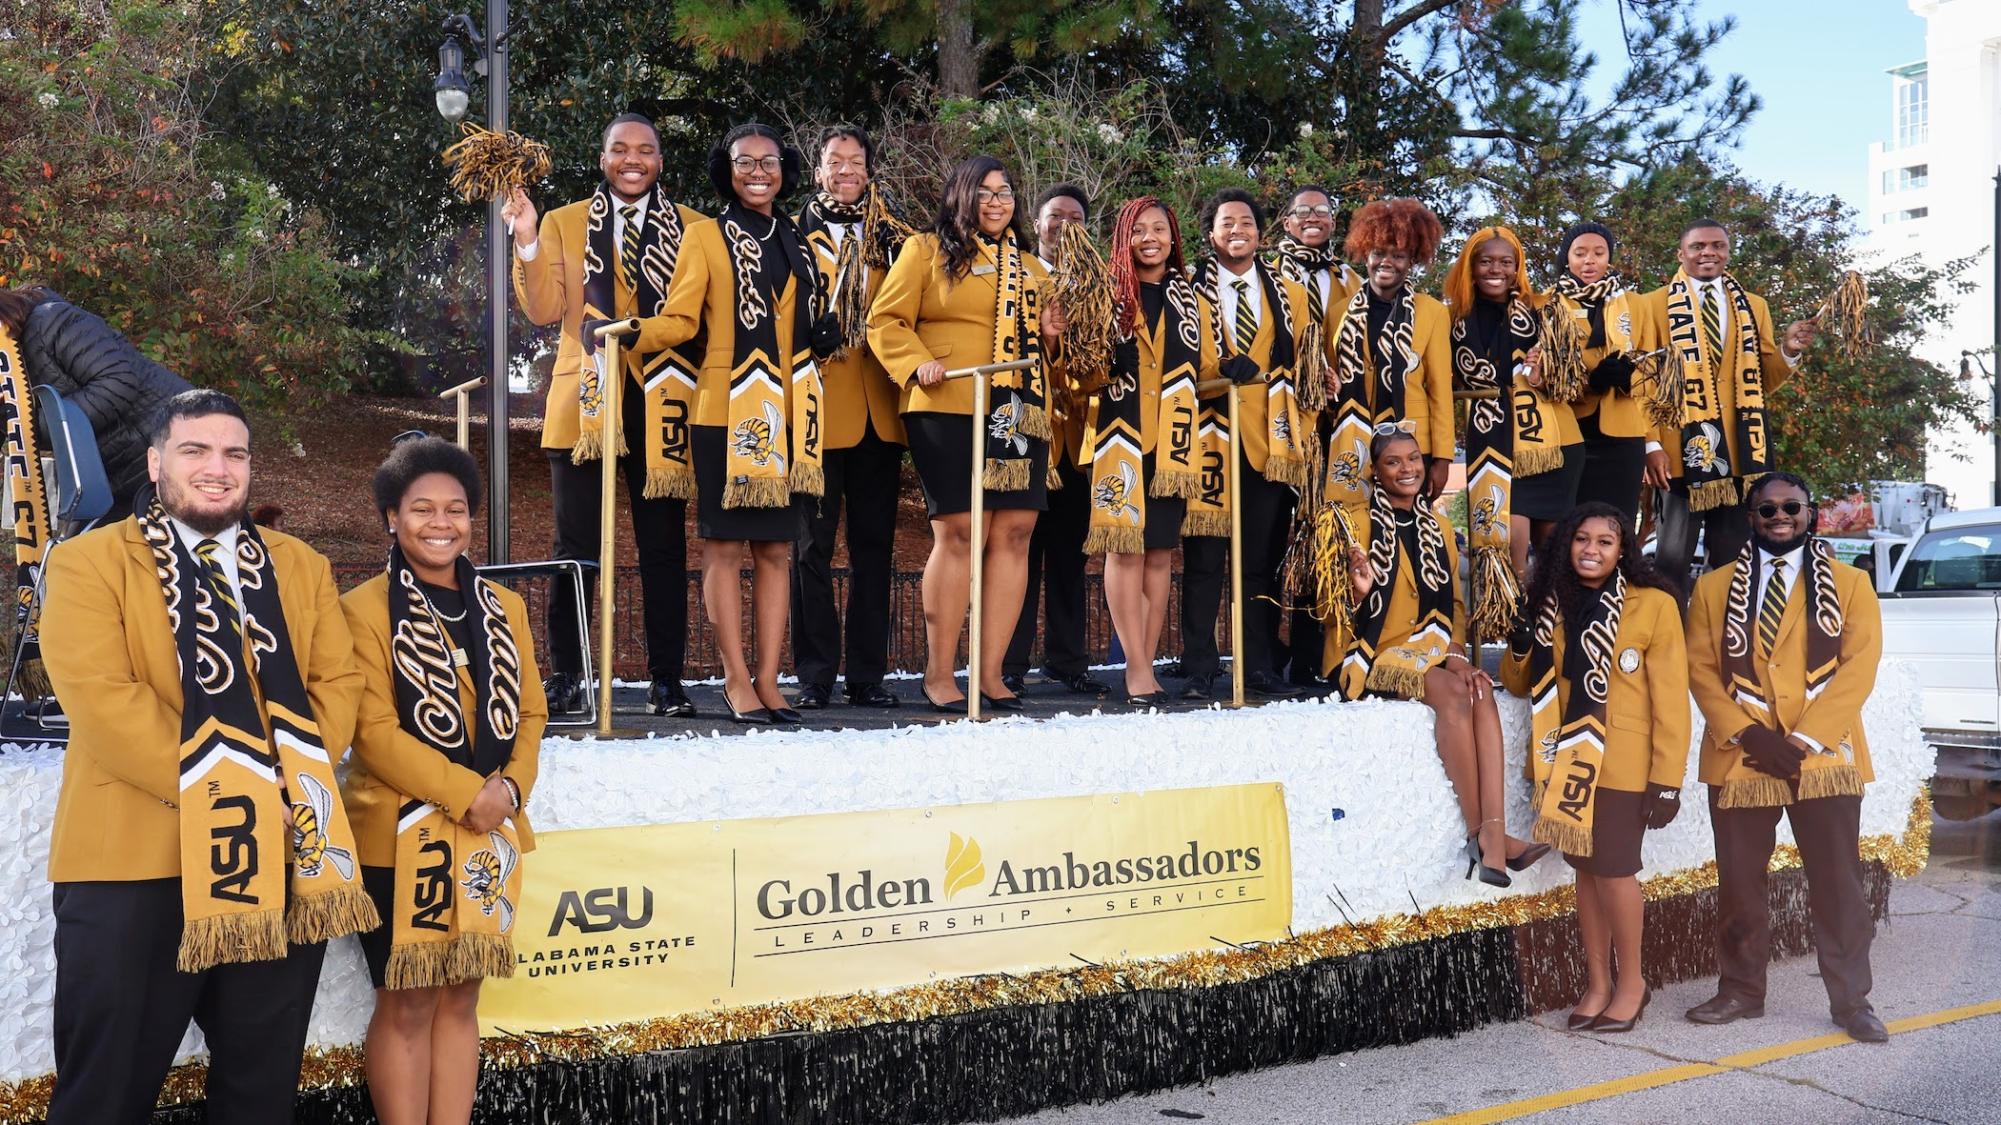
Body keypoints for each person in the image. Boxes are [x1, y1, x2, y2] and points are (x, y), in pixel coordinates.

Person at [38, 389, 371, 1123]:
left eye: (234, 453)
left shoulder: (301, 565)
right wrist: (247, 792)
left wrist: (294, 780)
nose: (217, 468)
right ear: (157, 462)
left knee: (259, 1093)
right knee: (104, 1095)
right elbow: (104, 701)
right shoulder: (89, 562)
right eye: (195, 450)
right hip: (135, 865)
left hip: (281, 859)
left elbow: (338, 680)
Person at [341, 436, 547, 1125]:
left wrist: (510, 790)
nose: (440, 522)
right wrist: (469, 793)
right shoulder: (362, 608)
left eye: (455, 509)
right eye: (420, 508)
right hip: (397, 837)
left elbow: (530, 711)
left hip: (489, 830)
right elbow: (371, 730)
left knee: (463, 996)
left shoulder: (504, 607)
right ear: (389, 518)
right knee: (409, 999)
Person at [637, 123, 840, 724]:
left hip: (789, 415)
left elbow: (803, 318)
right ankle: (734, 678)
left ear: (786, 170)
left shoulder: (800, 241)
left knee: (777, 549)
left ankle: (771, 679)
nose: (759, 171)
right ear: (726, 170)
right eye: (745, 161)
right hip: (726, 408)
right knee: (725, 547)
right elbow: (678, 320)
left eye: (770, 161)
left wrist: (824, 331)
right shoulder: (703, 238)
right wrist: (627, 334)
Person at [506, 112, 702, 718]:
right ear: (603, 158)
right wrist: (529, 239)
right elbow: (543, 311)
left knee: (664, 547)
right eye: (620, 149)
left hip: (662, 395)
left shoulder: (696, 228)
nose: (633, 159)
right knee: (576, 544)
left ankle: (667, 680)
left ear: (661, 162)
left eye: (645, 150)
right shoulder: (563, 223)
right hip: (584, 396)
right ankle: (568, 674)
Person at [1684, 472, 1887, 1043]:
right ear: (1751, 518)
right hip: (1741, 757)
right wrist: (1749, 735)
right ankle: (1741, 992)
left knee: (1838, 883)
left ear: (1810, 513)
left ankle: (1852, 1002)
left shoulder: (1849, 584)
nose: (1780, 515)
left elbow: (1858, 667)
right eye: (1767, 508)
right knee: (1740, 883)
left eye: (1791, 506)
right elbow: (1700, 670)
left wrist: (1802, 739)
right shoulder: (1712, 587)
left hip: (1821, 756)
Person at [869, 154, 1063, 713]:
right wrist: (915, 362)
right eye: (985, 192)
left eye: (1005, 192)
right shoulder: (925, 251)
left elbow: (1056, 355)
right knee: (960, 532)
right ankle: (937, 672)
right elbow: (885, 321)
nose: (998, 202)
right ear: (962, 196)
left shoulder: (1034, 269)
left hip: (1019, 409)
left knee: (1015, 533)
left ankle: (992, 671)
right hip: (948, 399)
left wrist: (1052, 336)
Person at [1326, 425, 1546, 884]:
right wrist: (1360, 592)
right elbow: (1329, 611)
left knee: (1479, 689)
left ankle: (1496, 836)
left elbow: (1456, 606)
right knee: (1451, 694)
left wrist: (1457, 652)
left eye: (1413, 459)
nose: (1406, 469)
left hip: (1432, 646)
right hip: (1373, 649)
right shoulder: (1356, 523)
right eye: (1393, 462)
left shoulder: (1440, 525)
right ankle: (1482, 834)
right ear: (1376, 471)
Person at [1503, 502, 1689, 1033]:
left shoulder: (1652, 605)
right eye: (1581, 539)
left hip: (1625, 763)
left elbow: (1671, 698)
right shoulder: (1550, 603)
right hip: (1566, 761)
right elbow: (1521, 684)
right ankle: (1598, 983)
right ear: (1567, 545)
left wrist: (1668, 780)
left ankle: (1632, 983)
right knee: (1586, 874)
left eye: (1605, 541)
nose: (1591, 549)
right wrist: (1520, 641)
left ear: (1623, 550)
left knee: (1615, 871)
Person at [790, 125, 912, 710]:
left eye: (855, 161)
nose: (845, 169)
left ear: (869, 170)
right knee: (810, 547)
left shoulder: (898, 239)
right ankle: (814, 674)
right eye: (834, 161)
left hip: (880, 413)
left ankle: (867, 673)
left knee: (874, 548)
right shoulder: (791, 235)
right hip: (814, 409)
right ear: (818, 172)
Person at [1179, 188, 1313, 701]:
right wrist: (1216, 371)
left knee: (1261, 560)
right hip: (1208, 438)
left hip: (1269, 442)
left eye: (1247, 223)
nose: (1238, 230)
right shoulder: (1189, 290)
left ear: (1261, 233)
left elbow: (1304, 366)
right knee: (1205, 558)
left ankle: (1257, 664)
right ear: (1211, 234)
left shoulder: (1290, 294)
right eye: (1226, 222)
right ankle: (1199, 667)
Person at [1087, 197, 1218, 704]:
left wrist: (1230, 368)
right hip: (1119, 435)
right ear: (1124, 236)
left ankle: (1143, 664)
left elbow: (1205, 368)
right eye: (1139, 230)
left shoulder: (1192, 299)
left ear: (1173, 237)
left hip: (1173, 443)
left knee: (1160, 554)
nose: (1150, 238)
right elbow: (1077, 370)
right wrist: (1103, 359)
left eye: (1159, 229)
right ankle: (1137, 669)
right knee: (1125, 548)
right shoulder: (1104, 291)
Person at [1639, 219, 1816, 592]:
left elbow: (1762, 379)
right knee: (1671, 562)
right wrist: (1650, 444)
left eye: (1717, 246)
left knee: (1732, 565)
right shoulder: (1651, 306)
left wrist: (1788, 351)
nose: (1708, 253)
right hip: (1679, 454)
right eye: (1698, 246)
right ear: (1680, 253)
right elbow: (1643, 382)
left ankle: (1725, 645)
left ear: (1727, 251)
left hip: (1740, 454)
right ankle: (1669, 644)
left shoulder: (1754, 307)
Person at [1002, 183, 1112, 699]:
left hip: (1076, 439)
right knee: (1017, 552)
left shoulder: (1099, 283)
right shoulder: (1014, 272)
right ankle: (1008, 662)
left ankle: (1068, 661)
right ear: (1038, 221)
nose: (1063, 223)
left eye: (1075, 216)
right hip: (1026, 430)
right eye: (1054, 215)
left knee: (1070, 558)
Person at [1440, 226, 1565, 637]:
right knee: (1506, 541)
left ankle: (1551, 636)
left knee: (1552, 554)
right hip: (1488, 438)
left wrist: (1546, 371)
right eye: (1486, 261)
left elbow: (1568, 384)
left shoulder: (1541, 312)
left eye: (1506, 262)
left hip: (1541, 441)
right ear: (1470, 266)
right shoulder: (1451, 316)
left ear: (1518, 268)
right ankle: (1513, 630)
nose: (1496, 269)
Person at [1268, 186, 1359, 687]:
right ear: (1286, 221)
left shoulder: (1349, 278)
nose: (1312, 219)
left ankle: (1312, 653)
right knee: (1270, 540)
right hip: (1280, 421)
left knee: (1321, 535)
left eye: (1322, 212)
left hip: (1335, 425)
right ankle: (1263, 652)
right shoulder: (1266, 274)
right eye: (1302, 211)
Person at [0, 285, 193, 516]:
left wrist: (34, 429)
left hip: (171, 450)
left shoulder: (50, 321)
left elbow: (116, 383)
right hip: (111, 479)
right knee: (78, 551)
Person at [1324, 198, 1453, 508]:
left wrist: (1443, 459)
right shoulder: (1339, 312)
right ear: (1365, 253)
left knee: (1406, 532)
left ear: (1411, 261)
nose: (1387, 262)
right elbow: (1331, 378)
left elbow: (1439, 389)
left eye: (1398, 256)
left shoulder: (1432, 311)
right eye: (1378, 253)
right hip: (1352, 440)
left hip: (1411, 446)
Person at [1552, 223, 1650, 525]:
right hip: (1569, 430)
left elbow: (1654, 370)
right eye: (1580, 253)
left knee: (1616, 525)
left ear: (1610, 257)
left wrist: (1629, 377)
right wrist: (1591, 382)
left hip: (1624, 435)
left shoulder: (1636, 304)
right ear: (1567, 258)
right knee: (1572, 528)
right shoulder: (1548, 303)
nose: (1589, 260)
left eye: (1598, 252)